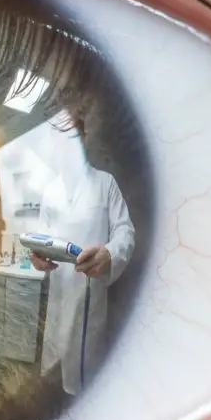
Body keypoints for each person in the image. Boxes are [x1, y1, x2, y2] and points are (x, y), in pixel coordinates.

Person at [29, 117, 136, 395]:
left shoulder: (105, 183)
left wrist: (109, 253)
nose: (65, 144)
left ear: (83, 138)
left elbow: (125, 231)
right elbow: (42, 239)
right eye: (58, 138)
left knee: (88, 385)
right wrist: (37, 258)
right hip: (59, 295)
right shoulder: (50, 191)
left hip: (90, 293)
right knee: (56, 387)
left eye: (72, 136)